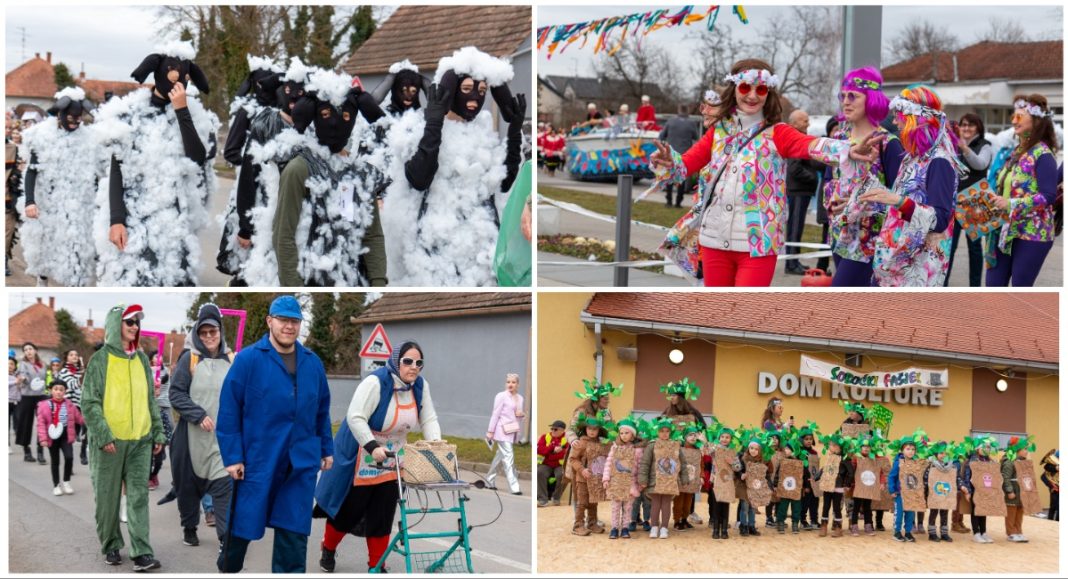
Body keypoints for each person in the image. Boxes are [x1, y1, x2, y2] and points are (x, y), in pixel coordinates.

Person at [652, 58, 879, 286]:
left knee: (747, 316)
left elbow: (811, 145)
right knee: (718, 315)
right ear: (735, 89)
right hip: (714, 240)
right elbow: (684, 165)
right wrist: (668, 162)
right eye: (745, 88)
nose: (752, 95)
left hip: (758, 244)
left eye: (760, 89)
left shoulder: (777, 133)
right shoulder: (719, 132)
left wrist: (847, 149)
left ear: (768, 93)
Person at [381, 47, 526, 286]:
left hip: (482, 250)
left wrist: (514, 131)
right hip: (436, 251)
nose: (475, 99)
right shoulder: (416, 128)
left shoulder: (482, 133)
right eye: (467, 90)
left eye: (481, 92)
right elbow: (418, 178)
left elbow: (504, 182)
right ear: (451, 92)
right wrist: (435, 122)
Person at [216, 295, 334, 573]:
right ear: (270, 321)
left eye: (294, 321)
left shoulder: (312, 363)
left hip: (300, 461)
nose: (289, 326)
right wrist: (233, 457)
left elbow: (321, 409)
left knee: (293, 533)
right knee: (243, 525)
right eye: (283, 320)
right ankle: (228, 567)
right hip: (259, 458)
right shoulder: (248, 360)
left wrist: (326, 449)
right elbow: (229, 411)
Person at [93, 41, 219, 286]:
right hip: (135, 218)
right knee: (137, 280)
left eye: (184, 76)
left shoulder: (194, 113)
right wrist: (116, 220)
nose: (177, 80)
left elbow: (197, 159)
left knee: (176, 279)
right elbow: (117, 168)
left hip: (175, 220)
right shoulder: (131, 115)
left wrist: (182, 111)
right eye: (172, 72)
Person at [270, 67, 388, 287]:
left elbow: (372, 235)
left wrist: (378, 283)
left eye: (344, 116)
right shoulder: (299, 169)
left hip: (353, 282)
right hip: (311, 281)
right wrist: (292, 287)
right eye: (325, 115)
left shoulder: (362, 172)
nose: (335, 123)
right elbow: (283, 234)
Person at [81, 304, 165, 571]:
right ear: (116, 324)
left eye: (137, 322)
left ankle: (141, 552)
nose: (134, 327)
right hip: (110, 443)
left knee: (138, 497)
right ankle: (111, 545)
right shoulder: (100, 359)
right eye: (129, 321)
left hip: (140, 441)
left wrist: (157, 431)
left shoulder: (141, 360)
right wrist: (103, 434)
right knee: (108, 498)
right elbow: (89, 402)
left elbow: (150, 400)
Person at [858, 86, 965, 287]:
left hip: (917, 272)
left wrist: (898, 201)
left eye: (899, 116)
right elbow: (903, 206)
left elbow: (940, 219)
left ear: (916, 120)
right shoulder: (912, 158)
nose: (895, 122)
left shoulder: (939, 162)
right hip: (894, 264)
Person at [824, 67, 904, 286]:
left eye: (853, 96)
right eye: (843, 96)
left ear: (870, 100)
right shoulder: (838, 139)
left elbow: (900, 196)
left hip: (870, 240)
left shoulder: (888, 143)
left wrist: (858, 201)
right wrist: (832, 198)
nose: (846, 102)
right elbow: (828, 180)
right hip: (839, 233)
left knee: (841, 297)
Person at [17, 86, 103, 286]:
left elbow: (98, 173)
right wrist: (30, 201)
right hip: (50, 204)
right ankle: (43, 277)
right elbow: (32, 171)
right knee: (47, 245)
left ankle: (76, 283)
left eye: (79, 117)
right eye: (71, 117)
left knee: (78, 248)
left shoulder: (89, 139)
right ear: (61, 115)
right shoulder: (42, 137)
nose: (75, 122)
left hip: (80, 206)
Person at [168, 303, 235, 551]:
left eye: (213, 332)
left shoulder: (231, 360)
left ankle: (224, 540)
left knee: (223, 487)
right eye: (204, 332)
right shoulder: (189, 358)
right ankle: (189, 526)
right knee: (188, 489)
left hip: (220, 441)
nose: (208, 337)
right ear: (197, 332)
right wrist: (198, 414)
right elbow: (175, 394)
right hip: (190, 440)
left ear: (220, 332)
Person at [216, 55, 284, 285]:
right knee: (246, 254)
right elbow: (231, 151)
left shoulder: (283, 113)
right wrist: (254, 163)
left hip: (276, 192)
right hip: (250, 190)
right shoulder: (248, 111)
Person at [985, 95, 1059, 287]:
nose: (1014, 120)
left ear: (1036, 121)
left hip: (1032, 233)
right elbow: (1008, 189)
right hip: (1004, 229)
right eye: (1014, 115)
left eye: (1020, 115)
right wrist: (995, 198)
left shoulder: (1043, 154)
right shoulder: (1016, 152)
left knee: (1021, 291)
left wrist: (1011, 203)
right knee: (993, 286)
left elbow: (1048, 196)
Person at [945, 113, 991, 286]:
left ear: (978, 127)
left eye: (971, 125)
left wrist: (964, 148)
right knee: (949, 247)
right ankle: (943, 285)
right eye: (963, 125)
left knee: (975, 249)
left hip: (976, 201)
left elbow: (981, 164)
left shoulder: (985, 146)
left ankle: (975, 287)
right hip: (955, 200)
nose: (966, 128)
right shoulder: (955, 146)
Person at [784, 108, 824, 274]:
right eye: (804, 121)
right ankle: (791, 264)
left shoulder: (801, 138)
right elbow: (794, 168)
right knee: (794, 228)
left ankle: (794, 261)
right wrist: (814, 178)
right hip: (797, 190)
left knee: (798, 227)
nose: (808, 123)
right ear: (794, 124)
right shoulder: (793, 138)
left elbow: (808, 162)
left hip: (803, 190)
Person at [37, 380, 84, 496]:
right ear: (51, 390)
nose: (58, 392)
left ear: (65, 392)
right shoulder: (44, 405)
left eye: (61, 390)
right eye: (56, 389)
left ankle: (66, 481)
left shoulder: (69, 404)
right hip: (52, 437)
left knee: (69, 457)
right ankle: (56, 485)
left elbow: (79, 418)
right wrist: (42, 438)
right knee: (55, 461)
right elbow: (41, 423)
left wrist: (91, 422)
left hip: (65, 436)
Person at [568, 411, 609, 536]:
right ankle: (578, 525)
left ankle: (592, 523)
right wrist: (582, 469)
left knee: (593, 501)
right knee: (582, 502)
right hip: (583, 478)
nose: (592, 431)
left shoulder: (601, 444)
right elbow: (573, 459)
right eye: (589, 429)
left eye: (595, 429)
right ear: (585, 429)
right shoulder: (580, 443)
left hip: (595, 478)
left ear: (598, 431)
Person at [485, 373, 525, 495]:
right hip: (501, 431)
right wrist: (490, 431)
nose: (510, 384)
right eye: (508, 382)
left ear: (518, 384)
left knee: (500, 457)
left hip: (512, 431)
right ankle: (514, 486)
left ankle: (489, 480)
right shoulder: (501, 396)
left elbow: (517, 417)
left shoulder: (520, 398)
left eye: (513, 382)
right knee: (509, 457)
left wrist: (521, 416)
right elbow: (495, 414)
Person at [602, 417, 642, 539]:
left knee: (628, 507)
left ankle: (625, 528)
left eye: (627, 433)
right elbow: (609, 463)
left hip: (630, 483)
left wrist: (640, 483)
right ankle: (614, 528)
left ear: (633, 435)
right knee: (615, 506)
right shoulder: (615, 447)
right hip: (616, 482)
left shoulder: (637, 450)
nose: (624, 435)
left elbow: (640, 467)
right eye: (622, 433)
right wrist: (606, 478)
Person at [658, 104, 701, 208]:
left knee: (669, 176)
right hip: (684, 154)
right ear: (687, 111)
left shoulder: (671, 121)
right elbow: (696, 137)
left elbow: (661, 136)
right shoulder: (691, 123)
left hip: (671, 153)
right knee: (681, 178)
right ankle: (678, 202)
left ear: (678, 110)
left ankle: (669, 201)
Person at [15, 342, 48, 464]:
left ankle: (40, 452)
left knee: (42, 423)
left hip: (41, 396)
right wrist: (23, 379)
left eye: (30, 349)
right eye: (25, 350)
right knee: (25, 424)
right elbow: (21, 375)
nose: (28, 351)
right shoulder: (23, 364)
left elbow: (45, 379)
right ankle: (27, 451)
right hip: (27, 396)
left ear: (35, 350)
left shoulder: (43, 365)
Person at [815, 435, 853, 538]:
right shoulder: (829, 458)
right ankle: (823, 526)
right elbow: (824, 469)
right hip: (827, 486)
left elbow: (850, 473)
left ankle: (838, 527)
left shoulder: (845, 459)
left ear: (839, 447)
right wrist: (816, 477)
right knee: (825, 506)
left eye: (833, 445)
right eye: (830, 445)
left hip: (838, 486)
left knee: (836, 508)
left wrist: (847, 484)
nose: (830, 447)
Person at [960, 437, 997, 543]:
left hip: (986, 490)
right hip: (974, 490)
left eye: (989, 447)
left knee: (983, 510)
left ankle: (983, 532)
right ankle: (976, 533)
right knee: (976, 511)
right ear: (978, 448)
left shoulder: (990, 461)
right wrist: (968, 492)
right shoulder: (972, 461)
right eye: (985, 447)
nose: (987, 449)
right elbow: (967, 477)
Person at [708, 427, 741, 540]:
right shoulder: (715, 449)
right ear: (719, 438)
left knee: (725, 505)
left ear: (730, 439)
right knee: (716, 505)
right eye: (722, 437)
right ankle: (716, 529)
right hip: (717, 481)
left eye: (727, 437)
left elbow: (738, 467)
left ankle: (725, 530)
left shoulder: (732, 452)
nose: (724, 439)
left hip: (727, 481)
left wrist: (732, 463)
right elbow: (707, 450)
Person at [55, 349, 87, 465]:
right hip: (69, 406)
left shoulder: (80, 371)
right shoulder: (63, 372)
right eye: (71, 355)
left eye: (76, 355)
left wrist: (83, 371)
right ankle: (69, 460)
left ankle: (83, 453)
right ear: (67, 358)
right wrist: (83, 376)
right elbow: (71, 385)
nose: (74, 356)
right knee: (70, 435)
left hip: (81, 406)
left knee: (84, 430)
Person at [148, 351, 172, 492]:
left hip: (164, 405)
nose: (159, 358)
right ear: (151, 359)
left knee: (170, 429)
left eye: (161, 356)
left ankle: (162, 448)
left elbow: (167, 383)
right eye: (156, 356)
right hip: (150, 406)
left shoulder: (166, 371)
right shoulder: (147, 370)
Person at [737, 436, 770, 537]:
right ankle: (743, 526)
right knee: (744, 507)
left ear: (759, 451)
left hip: (755, 488)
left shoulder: (761, 461)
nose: (753, 451)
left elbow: (765, 474)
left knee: (753, 507)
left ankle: (752, 526)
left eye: (756, 449)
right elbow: (737, 470)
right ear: (748, 448)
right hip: (744, 487)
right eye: (751, 448)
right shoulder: (743, 458)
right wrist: (741, 474)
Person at [1002, 437, 1032, 543]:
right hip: (1013, 491)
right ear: (1017, 449)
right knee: (1011, 512)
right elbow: (1005, 477)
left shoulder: (1023, 462)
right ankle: (1011, 533)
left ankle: (1018, 531)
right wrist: (1009, 491)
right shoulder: (1009, 461)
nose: (1027, 451)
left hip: (1021, 492)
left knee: (1020, 512)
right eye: (1025, 449)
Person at [888, 437, 918, 543]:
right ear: (902, 450)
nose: (911, 451)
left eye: (913, 449)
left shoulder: (916, 463)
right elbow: (892, 476)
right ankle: (897, 532)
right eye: (908, 449)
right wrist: (892, 490)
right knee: (899, 513)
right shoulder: (898, 463)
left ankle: (908, 532)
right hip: (899, 493)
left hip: (911, 493)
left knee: (910, 513)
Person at [925, 441, 954, 542]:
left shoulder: (951, 466)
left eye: (946, 453)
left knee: (945, 512)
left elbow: (953, 478)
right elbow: (926, 478)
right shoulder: (931, 465)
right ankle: (932, 533)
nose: (943, 455)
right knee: (934, 512)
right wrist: (927, 491)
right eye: (941, 453)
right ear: (936, 454)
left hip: (945, 493)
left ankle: (944, 533)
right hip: (934, 493)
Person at [537, 420, 569, 507]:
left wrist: (551, 453)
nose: (553, 431)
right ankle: (543, 499)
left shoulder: (567, 439)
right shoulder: (545, 437)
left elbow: (567, 453)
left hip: (560, 465)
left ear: (562, 430)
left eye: (555, 429)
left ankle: (556, 498)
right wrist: (551, 449)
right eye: (552, 429)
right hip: (546, 464)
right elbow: (539, 450)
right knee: (539, 472)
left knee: (563, 475)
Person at [849, 436, 877, 536]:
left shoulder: (873, 459)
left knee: (867, 507)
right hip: (857, 487)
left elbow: (877, 472)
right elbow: (852, 471)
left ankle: (868, 525)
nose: (866, 448)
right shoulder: (856, 458)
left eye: (868, 446)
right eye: (864, 446)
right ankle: (854, 526)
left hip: (868, 486)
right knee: (856, 507)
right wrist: (851, 483)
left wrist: (881, 482)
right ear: (860, 448)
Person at [1040, 449, 1058, 521]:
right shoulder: (1050, 466)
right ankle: (1050, 522)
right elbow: (1043, 476)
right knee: (1053, 507)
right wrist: (1052, 486)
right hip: (1055, 488)